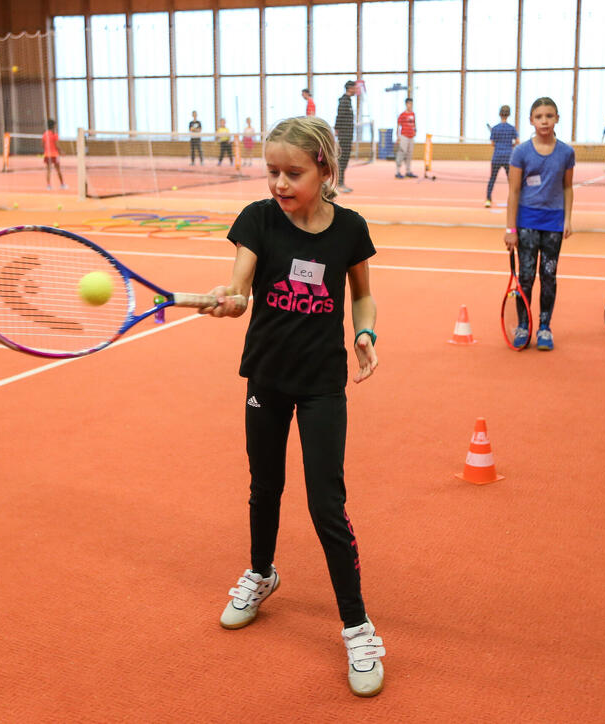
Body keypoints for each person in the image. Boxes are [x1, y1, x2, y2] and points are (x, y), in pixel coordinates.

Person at [201, 115, 384, 698]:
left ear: (325, 170)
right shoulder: (257, 219)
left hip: (323, 383)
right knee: (264, 485)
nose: (279, 184)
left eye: (293, 173)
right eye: (272, 171)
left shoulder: (349, 229)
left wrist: (365, 335)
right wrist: (229, 301)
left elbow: (363, 295)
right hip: (267, 377)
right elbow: (240, 284)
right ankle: (261, 573)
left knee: (327, 502)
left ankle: (356, 626)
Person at [504, 97, 575, 351]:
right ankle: (524, 326)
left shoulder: (566, 152)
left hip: (554, 224)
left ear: (557, 118)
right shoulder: (521, 152)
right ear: (531, 121)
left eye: (549, 116)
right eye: (539, 116)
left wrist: (567, 219)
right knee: (525, 277)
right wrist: (510, 229)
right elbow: (513, 192)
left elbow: (567, 187)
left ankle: (545, 327)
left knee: (548, 276)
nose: (544, 121)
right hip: (526, 224)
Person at [486, 104, 518, 207]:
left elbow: (492, 144)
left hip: (497, 157)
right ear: (509, 114)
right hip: (508, 158)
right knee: (512, 180)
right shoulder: (512, 128)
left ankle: (488, 200)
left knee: (492, 178)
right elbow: (517, 141)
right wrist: (511, 145)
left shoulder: (495, 128)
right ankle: (514, 200)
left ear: (500, 114)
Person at [334, 80, 357, 193]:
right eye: (355, 88)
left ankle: (341, 182)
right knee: (342, 160)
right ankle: (339, 183)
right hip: (344, 136)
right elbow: (339, 116)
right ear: (350, 88)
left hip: (348, 135)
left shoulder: (348, 101)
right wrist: (337, 129)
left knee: (345, 160)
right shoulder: (344, 101)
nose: (356, 90)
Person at [394, 97, 417, 179]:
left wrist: (415, 131)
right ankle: (397, 171)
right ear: (406, 104)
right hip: (404, 136)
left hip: (411, 136)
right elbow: (398, 126)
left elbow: (414, 124)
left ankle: (408, 171)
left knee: (409, 154)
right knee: (402, 153)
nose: (410, 105)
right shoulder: (402, 115)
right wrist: (398, 136)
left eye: (411, 104)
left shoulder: (413, 114)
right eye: (409, 104)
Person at [41, 119, 66, 190]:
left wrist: (46, 150)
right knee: (58, 170)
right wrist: (61, 152)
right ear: (53, 126)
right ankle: (62, 184)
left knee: (48, 170)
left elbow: (42, 144)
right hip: (54, 155)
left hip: (47, 155)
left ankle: (48, 186)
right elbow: (57, 145)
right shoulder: (55, 134)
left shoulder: (45, 134)